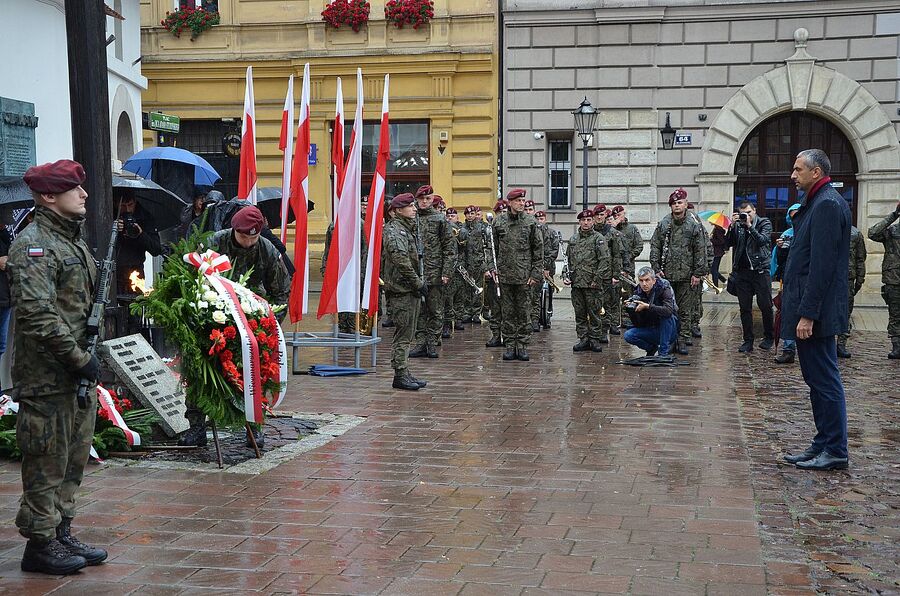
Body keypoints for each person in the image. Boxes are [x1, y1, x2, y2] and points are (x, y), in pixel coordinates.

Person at [9, 160, 108, 574]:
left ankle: (62, 530)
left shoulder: (71, 241)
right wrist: (80, 360)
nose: (84, 194)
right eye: (74, 188)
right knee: (46, 460)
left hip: (73, 374)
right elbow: (37, 315)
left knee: (73, 458)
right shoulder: (34, 245)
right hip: (47, 376)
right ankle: (40, 544)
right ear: (49, 196)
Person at [782, 149, 851, 471]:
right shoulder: (816, 201)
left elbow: (822, 267)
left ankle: (835, 449)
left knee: (824, 380)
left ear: (816, 172)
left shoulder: (826, 204)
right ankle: (822, 443)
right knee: (816, 379)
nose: (793, 175)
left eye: (798, 169)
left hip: (817, 312)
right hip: (810, 306)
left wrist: (808, 314)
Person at [649, 188, 708, 354]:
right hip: (667, 274)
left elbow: (700, 249)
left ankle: (683, 339)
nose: (677, 206)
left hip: (687, 275)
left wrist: (698, 273)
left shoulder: (694, 224)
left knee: (685, 310)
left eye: (680, 202)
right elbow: (655, 246)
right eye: (674, 203)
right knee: (668, 309)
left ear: (686, 204)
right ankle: (670, 339)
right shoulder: (664, 224)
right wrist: (656, 268)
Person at [381, 194, 427, 390]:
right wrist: (418, 283)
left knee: (408, 333)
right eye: (410, 206)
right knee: (403, 333)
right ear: (398, 210)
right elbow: (402, 261)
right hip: (401, 289)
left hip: (409, 289)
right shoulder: (394, 231)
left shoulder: (408, 228)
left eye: (414, 206)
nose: (414, 209)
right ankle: (399, 374)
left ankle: (404, 371)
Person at [493, 189, 543, 361]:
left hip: (524, 275)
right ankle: (509, 345)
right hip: (505, 274)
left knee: (523, 312)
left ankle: (522, 345)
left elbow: (538, 249)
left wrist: (535, 273)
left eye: (523, 200)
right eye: (518, 201)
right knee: (507, 312)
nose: (522, 203)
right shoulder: (499, 222)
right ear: (510, 202)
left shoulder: (530, 222)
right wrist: (492, 268)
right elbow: (492, 248)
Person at [409, 186, 455, 358]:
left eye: (428, 199)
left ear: (432, 199)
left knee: (435, 310)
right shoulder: (411, 217)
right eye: (421, 199)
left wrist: (447, 272)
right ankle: (420, 342)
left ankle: (432, 342)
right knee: (419, 310)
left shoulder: (440, 219)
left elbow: (449, 248)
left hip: (435, 272)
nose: (424, 202)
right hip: (416, 273)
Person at [725, 200, 774, 353]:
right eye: (743, 213)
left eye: (748, 212)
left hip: (760, 270)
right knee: (744, 308)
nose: (746, 216)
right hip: (743, 272)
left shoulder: (764, 223)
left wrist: (749, 226)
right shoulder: (738, 226)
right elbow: (728, 244)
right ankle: (748, 340)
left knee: (765, 305)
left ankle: (769, 337)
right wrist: (731, 226)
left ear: (754, 211)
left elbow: (762, 241)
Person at [565, 210, 606, 352]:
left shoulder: (598, 238)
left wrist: (597, 279)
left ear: (593, 221)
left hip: (592, 283)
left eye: (589, 220)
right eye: (583, 220)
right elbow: (568, 260)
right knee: (580, 312)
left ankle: (594, 339)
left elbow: (604, 261)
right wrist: (566, 275)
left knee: (594, 312)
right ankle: (583, 338)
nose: (586, 223)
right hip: (577, 283)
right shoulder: (573, 239)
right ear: (579, 222)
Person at [114, 188, 162, 296]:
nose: (127, 209)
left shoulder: (145, 217)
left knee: (135, 304)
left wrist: (140, 234)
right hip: (115, 271)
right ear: (116, 204)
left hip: (135, 270)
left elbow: (156, 249)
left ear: (135, 202)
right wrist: (113, 229)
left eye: (130, 205)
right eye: (123, 206)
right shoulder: (108, 215)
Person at [867, 200, 900, 359]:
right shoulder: (893, 231)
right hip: (894, 280)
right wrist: (894, 215)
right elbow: (872, 233)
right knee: (895, 315)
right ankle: (897, 347)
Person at [623, 267, 679, 357]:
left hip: (668, 331)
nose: (644, 284)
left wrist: (648, 306)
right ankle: (651, 348)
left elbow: (668, 311)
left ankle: (663, 353)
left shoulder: (664, 289)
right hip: (651, 328)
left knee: (666, 316)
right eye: (641, 281)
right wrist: (632, 311)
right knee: (628, 335)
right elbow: (638, 324)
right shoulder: (638, 292)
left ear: (654, 281)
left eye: (647, 280)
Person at [772, 203, 802, 364]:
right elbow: (780, 260)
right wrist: (781, 248)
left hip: (805, 278)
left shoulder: (809, 231)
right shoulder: (786, 234)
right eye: (792, 215)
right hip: (788, 278)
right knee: (787, 313)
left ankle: (806, 349)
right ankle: (788, 348)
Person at [592, 204, 626, 340]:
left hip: (607, 274)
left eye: (602, 215)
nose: (599, 217)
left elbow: (617, 256)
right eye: (597, 215)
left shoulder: (612, 233)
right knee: (593, 304)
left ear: (605, 216)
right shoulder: (590, 231)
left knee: (606, 303)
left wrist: (616, 275)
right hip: (592, 274)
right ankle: (593, 330)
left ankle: (603, 331)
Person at [837, 226, 866, 358]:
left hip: (847, 278)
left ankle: (841, 344)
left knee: (845, 312)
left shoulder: (855, 234)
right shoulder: (826, 227)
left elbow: (860, 258)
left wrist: (860, 279)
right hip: (828, 277)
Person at [483, 200, 506, 347]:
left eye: (505, 212)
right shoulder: (489, 230)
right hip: (494, 273)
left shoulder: (512, 228)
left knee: (508, 308)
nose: (502, 214)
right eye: (500, 212)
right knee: (495, 307)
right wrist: (489, 268)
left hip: (510, 273)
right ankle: (496, 335)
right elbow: (485, 251)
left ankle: (508, 336)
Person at [442, 208, 468, 335]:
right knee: (447, 297)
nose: (450, 218)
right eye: (448, 216)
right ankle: (447, 322)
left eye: (452, 216)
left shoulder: (462, 230)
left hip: (460, 267)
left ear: (457, 217)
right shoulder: (444, 229)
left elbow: (466, 247)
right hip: (448, 267)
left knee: (460, 296)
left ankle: (458, 319)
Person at [536, 210, 561, 329]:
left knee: (549, 292)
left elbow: (554, 251)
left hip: (549, 268)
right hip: (536, 268)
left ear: (545, 219)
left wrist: (546, 267)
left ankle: (548, 314)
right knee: (536, 293)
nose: (539, 221)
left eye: (541, 219)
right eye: (537, 219)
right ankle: (536, 317)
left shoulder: (552, 233)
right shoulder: (533, 232)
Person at [461, 205, 486, 324]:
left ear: (476, 214)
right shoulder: (462, 229)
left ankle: (476, 313)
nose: (470, 216)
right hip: (466, 262)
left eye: (472, 213)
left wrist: (485, 264)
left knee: (478, 288)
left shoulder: (481, 228)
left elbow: (486, 247)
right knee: (466, 289)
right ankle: (467, 312)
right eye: (468, 214)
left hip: (478, 262)